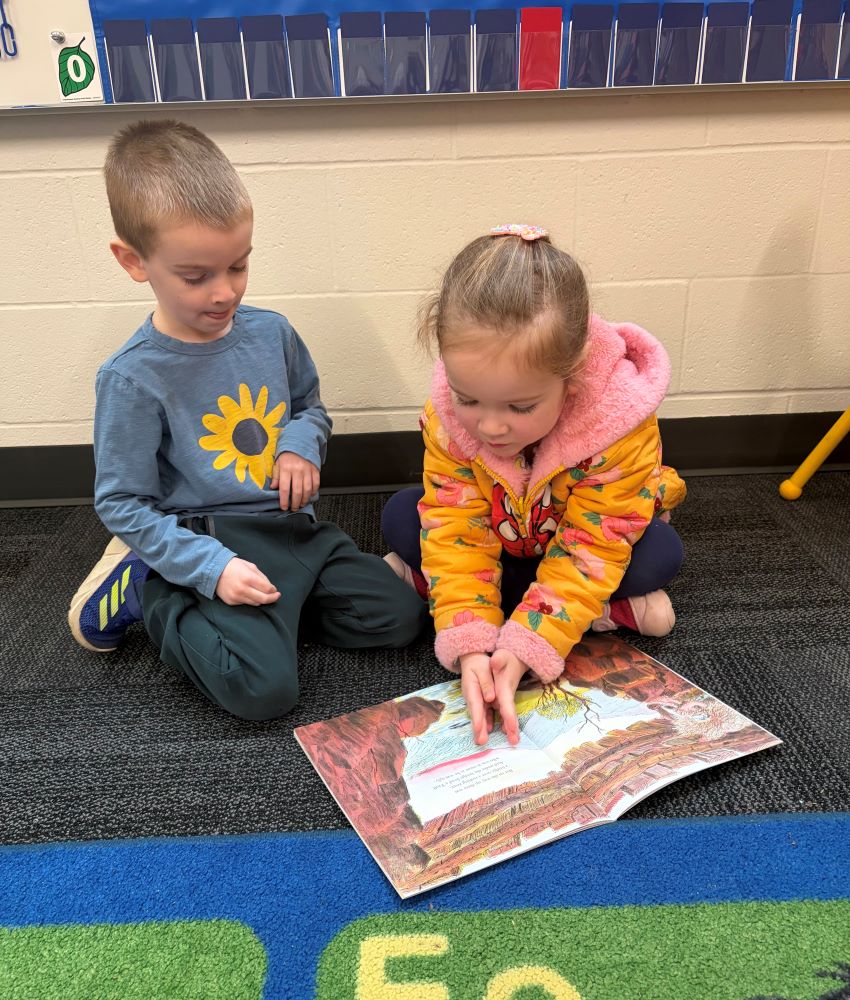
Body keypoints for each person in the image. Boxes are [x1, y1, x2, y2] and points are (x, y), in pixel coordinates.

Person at [68, 119, 426, 720]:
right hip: (208, 536)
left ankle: (270, 614)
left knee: (401, 618)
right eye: (196, 276)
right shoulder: (131, 378)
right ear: (133, 261)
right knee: (264, 691)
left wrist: (299, 447)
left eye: (238, 265)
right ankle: (148, 587)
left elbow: (311, 408)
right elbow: (121, 502)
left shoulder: (273, 332)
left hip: (292, 529)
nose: (224, 292)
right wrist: (211, 569)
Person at [382, 223, 686, 747]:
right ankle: (591, 615)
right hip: (503, 537)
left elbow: (594, 544)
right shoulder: (448, 417)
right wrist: (472, 643)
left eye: (521, 407)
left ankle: (496, 598)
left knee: (659, 553)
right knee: (402, 515)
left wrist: (528, 644)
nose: (490, 427)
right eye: (468, 399)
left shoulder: (619, 423)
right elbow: (454, 521)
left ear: (572, 379)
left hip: (576, 541)